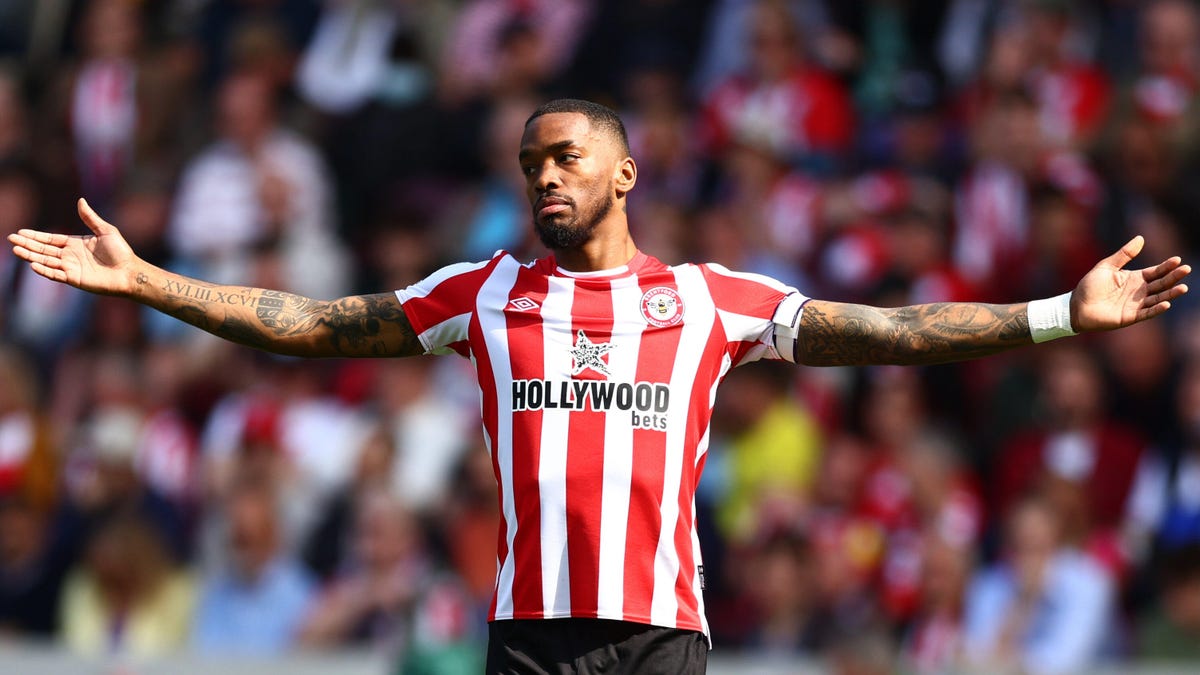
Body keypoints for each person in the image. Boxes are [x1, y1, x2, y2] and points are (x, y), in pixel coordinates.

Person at [7, 98, 1190, 674]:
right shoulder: (482, 294)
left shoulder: (712, 301)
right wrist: (151, 279)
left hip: (660, 636)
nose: (544, 177)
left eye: (565, 155)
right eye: (530, 164)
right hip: (527, 637)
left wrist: (1052, 317)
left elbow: (887, 330)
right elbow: (312, 324)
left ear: (627, 169)